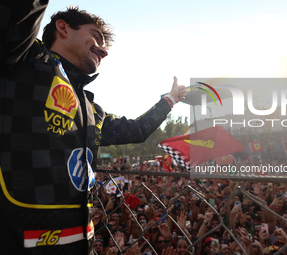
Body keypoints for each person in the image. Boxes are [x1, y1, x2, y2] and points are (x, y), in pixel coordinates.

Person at [0, 1, 186, 254]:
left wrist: (170, 100)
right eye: (96, 37)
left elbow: (138, 130)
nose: (104, 51)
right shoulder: (22, 59)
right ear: (63, 28)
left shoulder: (92, 111)